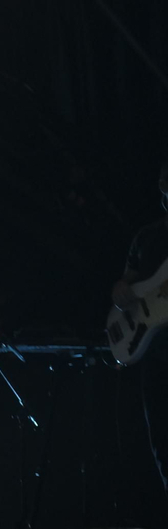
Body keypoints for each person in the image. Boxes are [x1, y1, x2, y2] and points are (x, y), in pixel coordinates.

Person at [111, 159, 168, 503]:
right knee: (161, 434)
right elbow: (127, 284)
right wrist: (119, 291)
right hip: (155, 350)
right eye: (165, 176)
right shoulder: (146, 236)